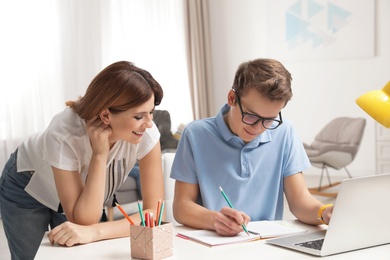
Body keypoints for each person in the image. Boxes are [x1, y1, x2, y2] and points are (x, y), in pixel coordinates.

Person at [0, 61, 165, 259]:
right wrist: (99, 154)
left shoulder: (146, 132)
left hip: (76, 196)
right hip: (27, 184)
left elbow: (154, 212)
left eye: (151, 113)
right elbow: (84, 221)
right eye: (139, 116)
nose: (149, 124)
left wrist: (97, 232)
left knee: (80, 250)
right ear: (106, 115)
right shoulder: (64, 133)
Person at [170, 58, 334, 237]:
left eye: (269, 119)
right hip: (214, 242)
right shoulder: (196, 134)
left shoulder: (284, 131)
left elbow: (300, 200)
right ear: (232, 98)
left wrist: (323, 212)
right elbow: (182, 207)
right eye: (250, 116)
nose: (258, 128)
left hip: (265, 244)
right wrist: (215, 220)